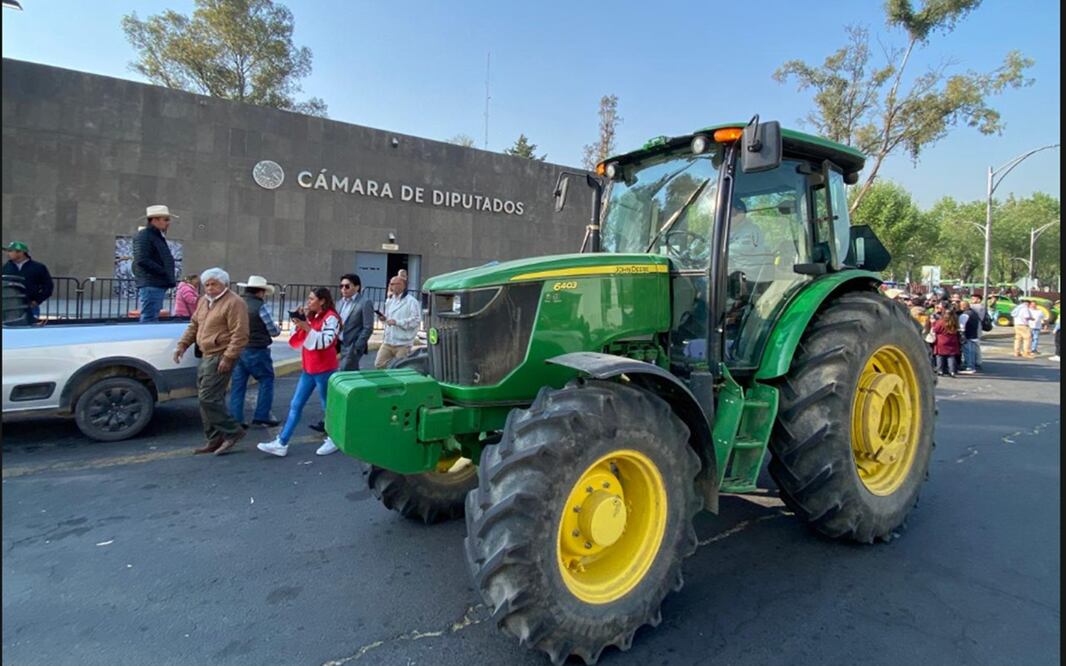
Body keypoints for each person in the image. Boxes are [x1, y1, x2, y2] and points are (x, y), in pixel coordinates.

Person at [258, 287, 342, 457]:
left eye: (312, 299)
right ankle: (282, 442)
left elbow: (326, 341)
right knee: (296, 404)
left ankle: (333, 439)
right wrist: (301, 322)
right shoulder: (315, 316)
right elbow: (300, 338)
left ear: (322, 301)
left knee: (327, 406)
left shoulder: (331, 318)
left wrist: (307, 327)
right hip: (310, 368)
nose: (308, 302)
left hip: (324, 369)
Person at [174, 268, 249, 455]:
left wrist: (228, 357)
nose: (209, 288)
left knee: (208, 397)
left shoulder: (234, 303)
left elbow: (240, 334)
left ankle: (233, 432)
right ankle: (214, 438)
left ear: (224, 284)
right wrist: (182, 345)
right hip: (206, 354)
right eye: (206, 284)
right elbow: (194, 325)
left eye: (213, 284)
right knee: (205, 399)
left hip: (220, 354)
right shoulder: (203, 301)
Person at [228, 275, 281, 428]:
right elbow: (272, 330)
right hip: (257, 349)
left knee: (238, 385)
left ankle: (236, 418)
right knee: (266, 380)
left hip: (238, 348)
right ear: (260, 292)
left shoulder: (237, 303)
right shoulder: (260, 307)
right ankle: (262, 415)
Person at [133, 205, 177, 322]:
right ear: (155, 220)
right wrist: (163, 271)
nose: (168, 223)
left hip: (155, 282)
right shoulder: (145, 235)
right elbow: (142, 259)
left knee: (151, 316)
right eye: (166, 219)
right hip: (152, 283)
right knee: (149, 317)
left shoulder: (155, 236)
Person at [374, 275, 422, 369]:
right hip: (388, 341)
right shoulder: (390, 301)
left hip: (403, 344)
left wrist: (397, 322)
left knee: (400, 369)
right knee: (379, 364)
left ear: (402, 285)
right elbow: (389, 320)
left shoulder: (412, 302)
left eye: (393, 284)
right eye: (390, 284)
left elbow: (416, 320)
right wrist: (384, 319)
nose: (390, 286)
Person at [2, 240, 53, 320]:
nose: (8, 254)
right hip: (9, 307)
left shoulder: (38, 267)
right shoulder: (5, 267)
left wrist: (37, 301)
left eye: (11, 251)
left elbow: (48, 286)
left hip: (29, 307)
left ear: (21, 252)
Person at [337, 273, 376, 371]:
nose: (343, 289)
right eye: (341, 286)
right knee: (347, 373)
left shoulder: (365, 302)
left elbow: (368, 327)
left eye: (347, 286)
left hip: (352, 345)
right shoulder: (340, 302)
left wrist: (357, 346)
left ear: (357, 287)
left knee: (345, 371)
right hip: (339, 343)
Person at [932, 308, 961, 377]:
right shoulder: (954, 321)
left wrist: (933, 323)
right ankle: (952, 371)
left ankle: (940, 370)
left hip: (941, 340)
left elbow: (935, 330)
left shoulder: (941, 322)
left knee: (940, 356)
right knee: (951, 356)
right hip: (952, 340)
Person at [958, 301, 979, 374]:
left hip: (967, 336)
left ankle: (970, 367)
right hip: (974, 335)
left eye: (960, 305)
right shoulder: (974, 313)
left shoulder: (964, 315)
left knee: (968, 352)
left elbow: (962, 327)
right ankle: (971, 365)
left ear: (963, 306)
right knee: (972, 352)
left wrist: (961, 335)